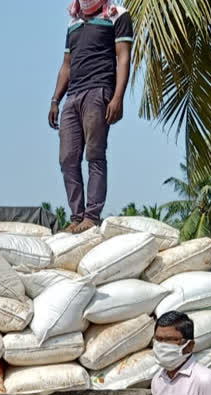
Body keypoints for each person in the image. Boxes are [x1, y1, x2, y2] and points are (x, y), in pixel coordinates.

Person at [49, 0, 133, 233]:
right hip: (73, 95)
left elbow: (123, 58)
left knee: (95, 154)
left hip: (99, 91)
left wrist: (118, 97)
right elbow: (66, 65)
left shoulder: (118, 15)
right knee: (67, 158)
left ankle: (91, 216)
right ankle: (76, 217)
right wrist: (55, 99)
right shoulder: (74, 21)